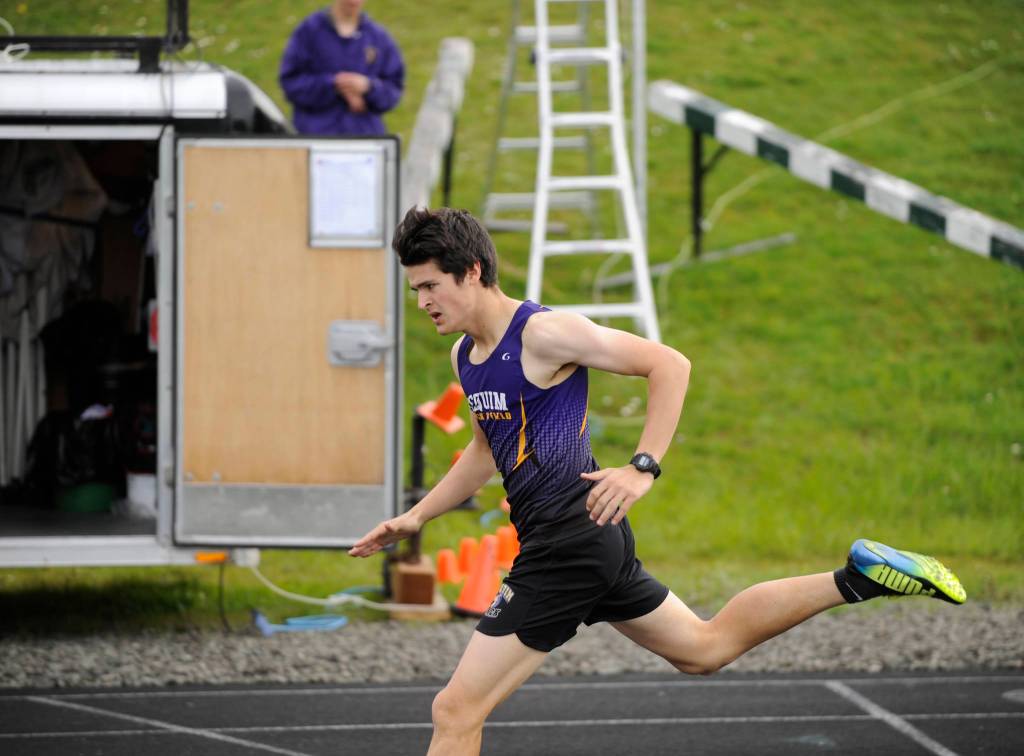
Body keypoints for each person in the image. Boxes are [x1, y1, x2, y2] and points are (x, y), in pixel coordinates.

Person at [350, 207, 967, 756]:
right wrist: (418, 516)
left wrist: (642, 466)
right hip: (588, 538)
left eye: (431, 284)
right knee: (704, 649)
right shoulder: (466, 355)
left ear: (474, 271)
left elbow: (669, 364)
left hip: (568, 542)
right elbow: (485, 450)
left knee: (455, 711)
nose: (424, 299)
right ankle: (856, 577)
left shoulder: (544, 333)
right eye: (416, 289)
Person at [279, 0, 404, 136]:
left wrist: (368, 87)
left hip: (365, 142)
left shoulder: (378, 37)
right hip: (316, 140)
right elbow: (291, 83)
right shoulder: (308, 32)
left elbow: (394, 89)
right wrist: (334, 84)